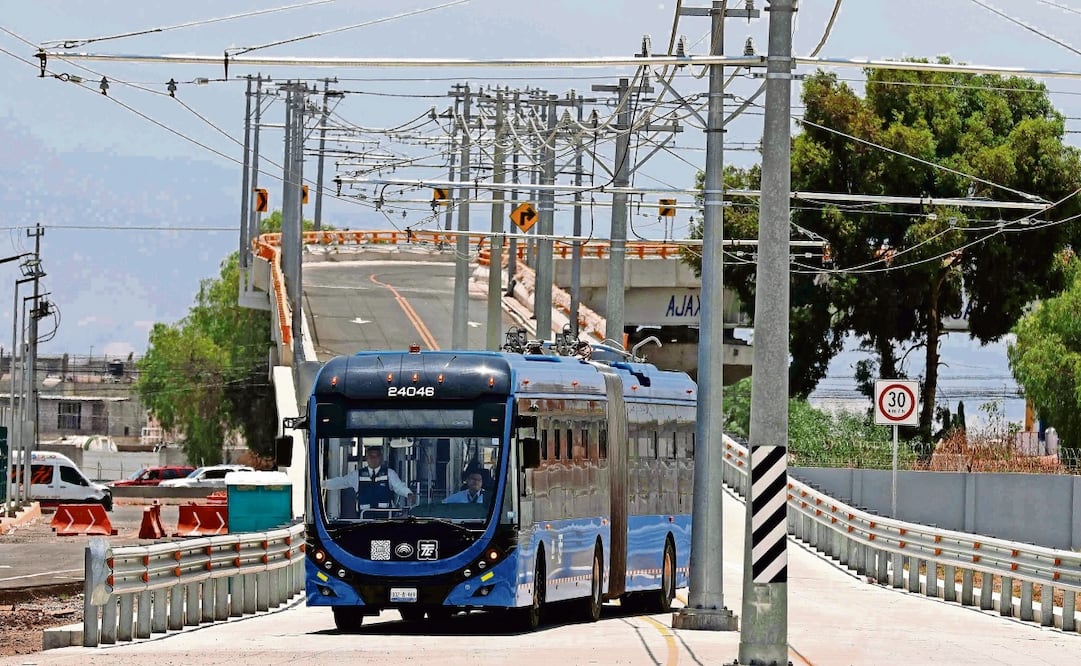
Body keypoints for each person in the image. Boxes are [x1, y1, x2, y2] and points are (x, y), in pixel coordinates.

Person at [325, 446, 415, 510]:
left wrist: (408, 493)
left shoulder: (389, 473)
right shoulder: (357, 475)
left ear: (381, 458)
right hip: (363, 516)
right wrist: (322, 484)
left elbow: (399, 486)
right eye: (371, 456)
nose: (374, 459)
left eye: (377, 456)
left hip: (385, 516)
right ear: (367, 458)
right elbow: (342, 482)